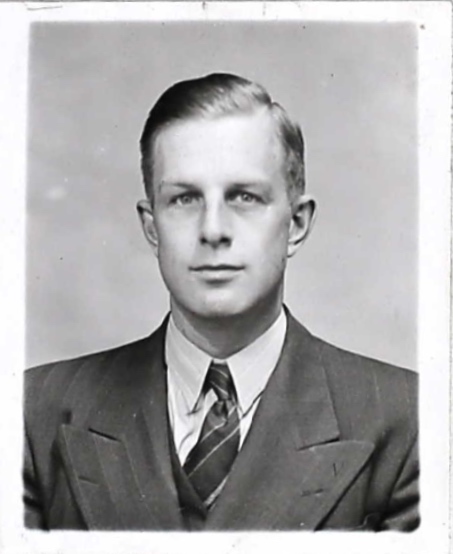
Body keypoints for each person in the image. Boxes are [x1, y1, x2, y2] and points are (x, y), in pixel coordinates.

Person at [23, 73, 419, 531]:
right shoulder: (32, 412)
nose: (213, 230)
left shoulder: (409, 419)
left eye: (244, 197)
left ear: (296, 224)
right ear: (152, 227)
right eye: (184, 199)